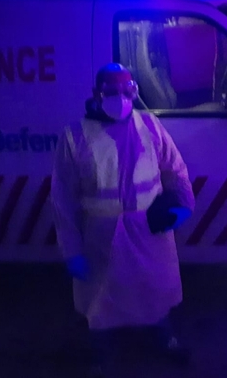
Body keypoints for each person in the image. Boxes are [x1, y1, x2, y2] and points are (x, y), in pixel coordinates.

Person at [51, 63, 195, 375]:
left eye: (126, 91)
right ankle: (101, 355)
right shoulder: (75, 136)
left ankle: (165, 339)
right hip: (102, 236)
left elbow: (176, 170)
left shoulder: (150, 126)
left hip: (149, 233)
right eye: (112, 92)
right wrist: (72, 251)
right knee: (102, 300)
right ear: (97, 95)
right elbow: (63, 198)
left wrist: (184, 204)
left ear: (134, 91)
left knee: (154, 291)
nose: (120, 98)